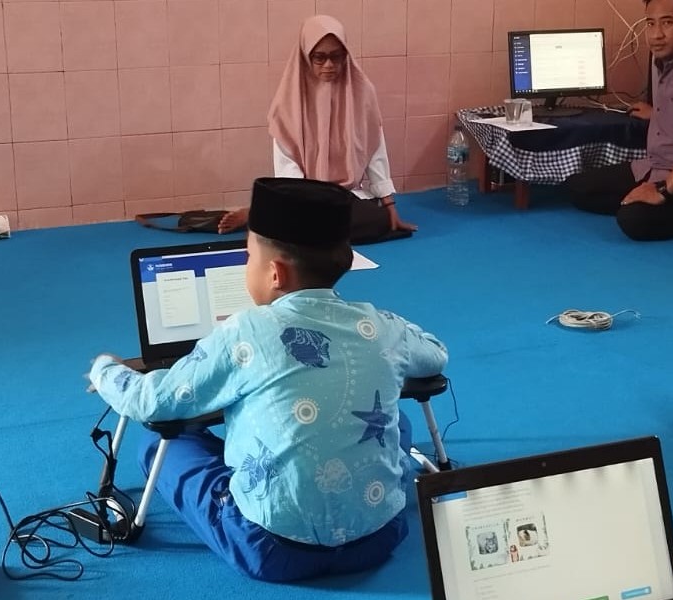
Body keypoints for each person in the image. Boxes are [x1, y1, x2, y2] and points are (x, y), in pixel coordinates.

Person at [88, 177, 448, 582]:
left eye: (247, 256)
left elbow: (151, 402)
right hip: (381, 536)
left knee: (160, 443)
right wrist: (386, 336)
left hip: (272, 550)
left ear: (275, 273)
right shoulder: (382, 327)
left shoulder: (245, 330)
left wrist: (106, 369)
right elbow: (435, 354)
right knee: (391, 418)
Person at [218, 15, 416, 239]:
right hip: (305, 196)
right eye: (319, 58)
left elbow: (374, 150)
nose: (329, 65)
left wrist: (389, 205)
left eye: (336, 56)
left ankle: (270, 215)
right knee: (307, 219)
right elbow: (287, 167)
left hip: (345, 194)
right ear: (306, 56)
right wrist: (304, 201)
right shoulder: (289, 102)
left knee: (376, 221)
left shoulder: (362, 93)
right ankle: (266, 213)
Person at [566, 0, 673, 241]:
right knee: (576, 187)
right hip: (657, 165)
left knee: (633, 221)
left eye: (667, 23)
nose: (656, 34)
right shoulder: (663, 59)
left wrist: (663, 190)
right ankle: (646, 199)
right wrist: (657, 112)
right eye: (650, 24)